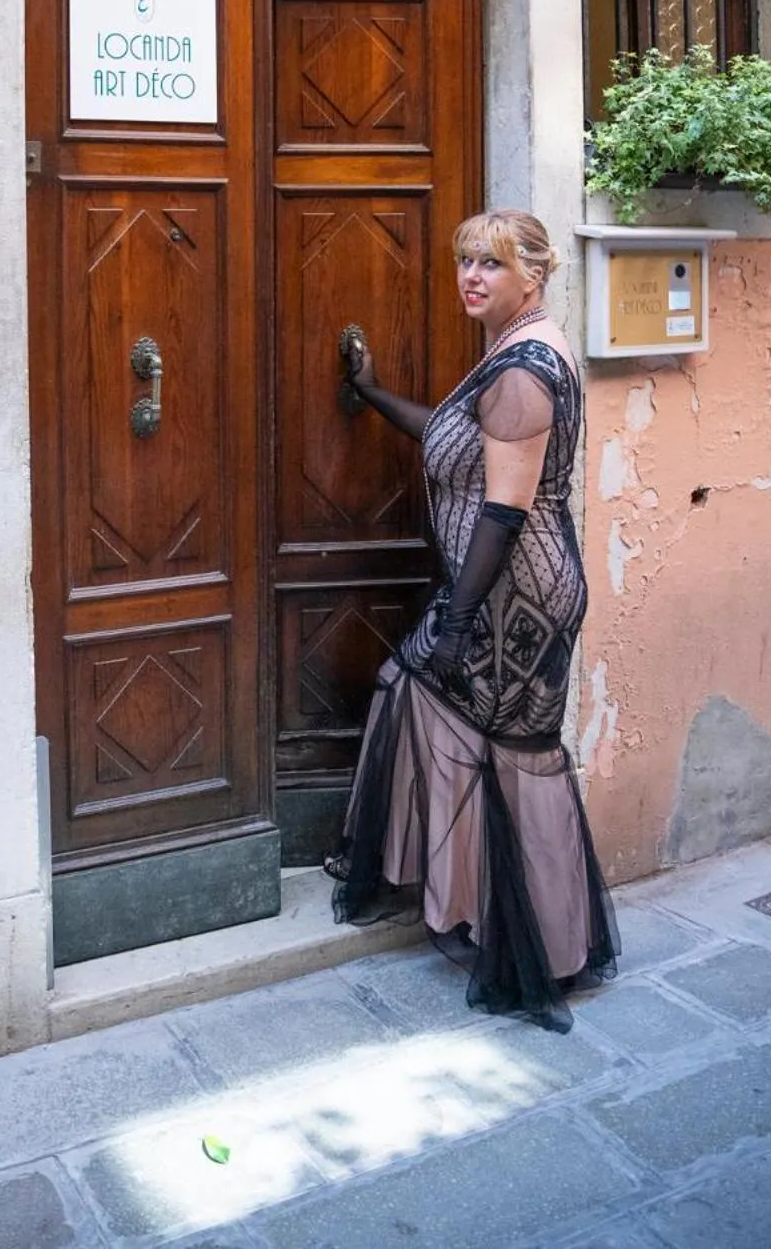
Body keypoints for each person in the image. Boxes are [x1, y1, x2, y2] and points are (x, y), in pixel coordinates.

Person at [326, 209, 619, 1033]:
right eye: (463, 261)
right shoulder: (510, 351)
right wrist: (374, 394)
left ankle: (544, 962)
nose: (470, 277)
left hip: (517, 600)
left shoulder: (525, 368)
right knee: (425, 706)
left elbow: (503, 507)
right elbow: (456, 438)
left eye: (489, 264)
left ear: (532, 274)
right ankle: (474, 909)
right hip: (494, 595)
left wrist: (454, 618)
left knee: (518, 760)